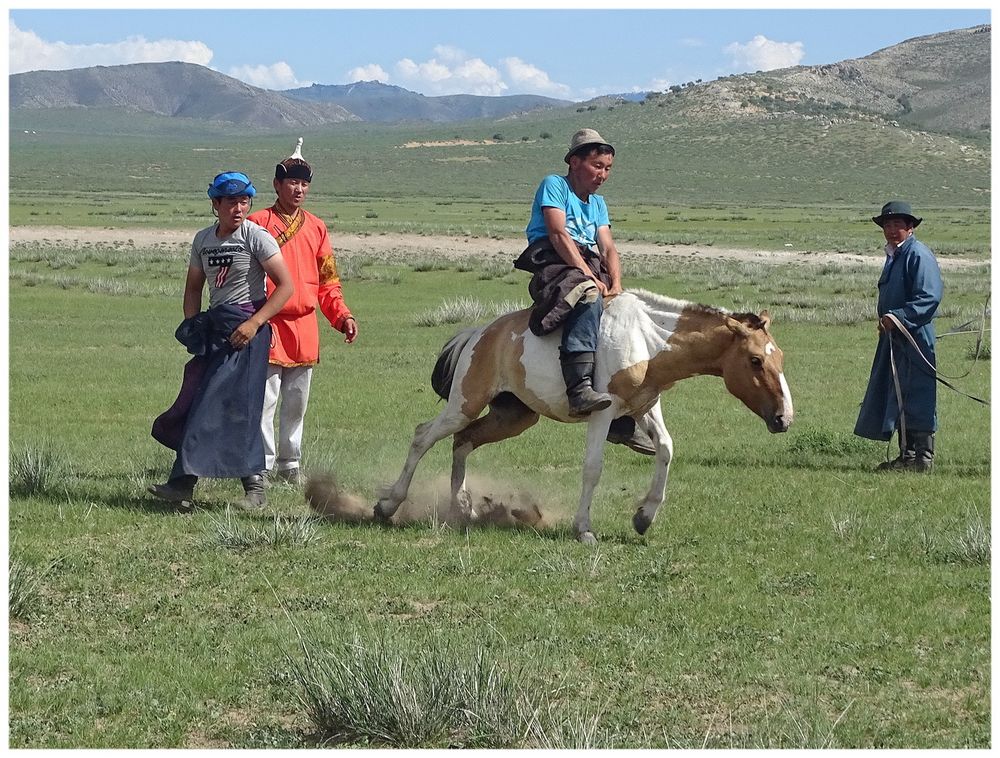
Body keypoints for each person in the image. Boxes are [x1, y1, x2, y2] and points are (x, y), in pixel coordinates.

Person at [148, 171, 294, 508]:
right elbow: (193, 288)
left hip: (247, 332)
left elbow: (285, 287)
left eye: (244, 201)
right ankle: (191, 484)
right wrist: (192, 324)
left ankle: (240, 490)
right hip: (217, 328)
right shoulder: (203, 240)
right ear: (215, 204)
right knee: (202, 402)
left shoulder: (256, 238)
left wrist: (255, 324)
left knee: (233, 407)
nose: (239, 208)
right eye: (231, 201)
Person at [514, 128, 653, 454]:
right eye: (597, 166)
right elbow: (558, 233)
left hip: (587, 263)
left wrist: (616, 282)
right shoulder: (555, 185)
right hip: (552, 261)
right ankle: (578, 391)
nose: (603, 175)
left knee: (624, 308)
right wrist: (589, 275)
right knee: (588, 293)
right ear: (575, 162)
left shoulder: (599, 204)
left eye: (608, 168)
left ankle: (619, 411)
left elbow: (608, 247)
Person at [248, 139, 357, 485]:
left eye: (304, 183)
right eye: (292, 182)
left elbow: (328, 281)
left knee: (296, 402)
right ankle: (261, 465)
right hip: (267, 322)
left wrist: (342, 316)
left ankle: (289, 463)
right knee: (264, 401)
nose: (298, 189)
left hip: (305, 325)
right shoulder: (256, 223)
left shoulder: (317, 228)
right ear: (277, 185)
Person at [854, 200, 943, 472]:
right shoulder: (895, 255)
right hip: (895, 338)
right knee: (899, 394)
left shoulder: (918, 255)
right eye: (888, 225)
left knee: (917, 393)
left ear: (910, 227)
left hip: (914, 337)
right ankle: (907, 456)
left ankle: (921, 459)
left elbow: (929, 297)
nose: (892, 230)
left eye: (898, 224)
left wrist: (898, 317)